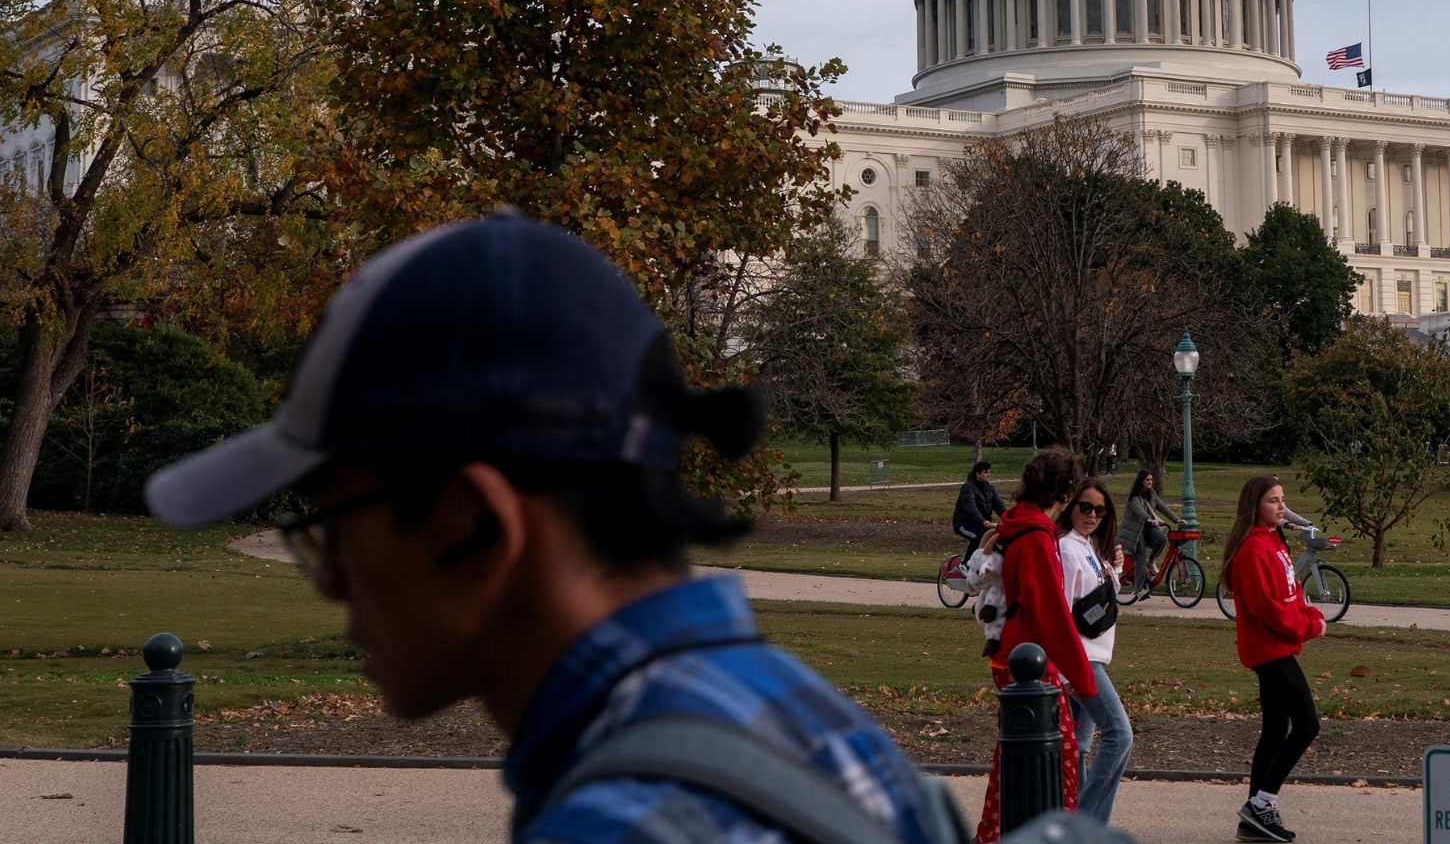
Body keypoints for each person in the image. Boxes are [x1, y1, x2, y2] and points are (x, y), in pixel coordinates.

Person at [142, 213, 946, 844]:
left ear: (478, 526)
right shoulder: (829, 734)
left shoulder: (623, 826)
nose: (327, 581)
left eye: (331, 525)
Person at [973, 448, 1098, 843]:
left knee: (1014, 758)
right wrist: (1082, 678)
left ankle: (993, 833)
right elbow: (1051, 612)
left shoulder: (1016, 526)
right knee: (1056, 762)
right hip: (1028, 661)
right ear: (1064, 494)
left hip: (1007, 654)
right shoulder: (1037, 539)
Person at [1221, 475, 1326, 844]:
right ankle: (1262, 803)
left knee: (1274, 730)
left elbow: (1291, 592)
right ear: (1254, 506)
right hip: (1270, 652)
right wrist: (1309, 626)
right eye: (1272, 501)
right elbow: (1268, 609)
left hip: (1279, 647)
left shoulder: (1273, 541)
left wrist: (1309, 615)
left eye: (1282, 500)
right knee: (1307, 725)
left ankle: (1253, 818)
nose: (1281, 506)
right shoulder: (1251, 549)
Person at [1055, 478, 1131, 826]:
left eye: (1099, 510)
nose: (1092, 515)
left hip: (1093, 655)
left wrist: (1113, 567)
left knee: (1079, 749)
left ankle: (1080, 823)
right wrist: (1063, 669)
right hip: (1082, 661)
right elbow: (1062, 608)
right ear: (1071, 506)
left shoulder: (1086, 545)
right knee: (1119, 735)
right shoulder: (1068, 549)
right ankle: (1086, 826)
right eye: (1085, 507)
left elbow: (1101, 600)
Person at [1118, 468, 1179, 593]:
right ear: (1141, 481)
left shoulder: (1151, 494)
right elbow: (1138, 509)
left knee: (1162, 538)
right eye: (1147, 480)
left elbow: (1162, 507)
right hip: (1134, 531)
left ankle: (1151, 562)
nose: (1150, 482)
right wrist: (1148, 519)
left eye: (1151, 480)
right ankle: (1139, 589)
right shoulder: (1134, 496)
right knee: (1140, 556)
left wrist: (1177, 520)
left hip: (1147, 528)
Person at [953, 460, 1005, 559]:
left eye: (989, 472)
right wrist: (982, 521)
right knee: (978, 538)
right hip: (964, 524)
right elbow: (970, 506)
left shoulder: (990, 489)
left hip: (981, 525)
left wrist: (1011, 519)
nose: (988, 475)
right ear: (978, 474)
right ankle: (966, 565)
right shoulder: (968, 487)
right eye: (985, 472)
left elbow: (999, 506)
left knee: (994, 543)